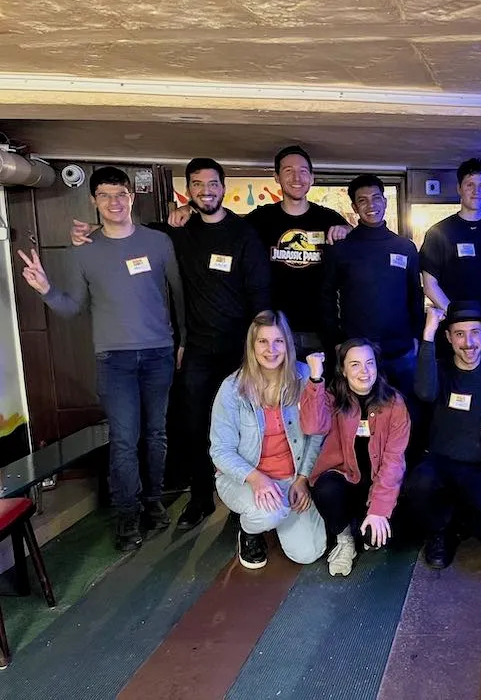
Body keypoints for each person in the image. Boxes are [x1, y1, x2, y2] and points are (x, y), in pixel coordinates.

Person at [72, 157, 272, 529]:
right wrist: (88, 234)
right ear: (189, 190)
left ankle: (246, 501)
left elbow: (260, 294)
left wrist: (259, 350)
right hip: (195, 348)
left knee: (247, 426)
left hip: (239, 351)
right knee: (195, 426)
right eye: (197, 184)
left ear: (223, 187)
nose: (205, 190)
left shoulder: (244, 235)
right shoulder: (175, 233)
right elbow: (127, 231)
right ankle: (201, 499)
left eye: (212, 183)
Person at [18, 166, 184, 551]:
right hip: (115, 361)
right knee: (125, 440)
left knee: (156, 435)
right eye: (105, 195)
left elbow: (178, 296)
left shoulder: (159, 243)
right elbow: (72, 307)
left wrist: (182, 342)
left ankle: (154, 504)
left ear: (132, 197)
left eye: (121, 194)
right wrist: (45, 288)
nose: (114, 202)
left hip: (159, 353)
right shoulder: (85, 252)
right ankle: (127, 517)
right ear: (93, 201)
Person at [170, 145, 352, 352]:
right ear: (276, 177)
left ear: (312, 177)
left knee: (317, 385)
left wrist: (348, 229)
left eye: (303, 171)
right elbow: (222, 220)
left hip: (321, 332)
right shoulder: (261, 219)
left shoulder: (329, 219)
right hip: (273, 332)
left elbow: (358, 247)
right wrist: (192, 206)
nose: (296, 177)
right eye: (288, 171)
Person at [404, 301, 481, 568]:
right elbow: (424, 392)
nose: (469, 342)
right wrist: (427, 335)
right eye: (459, 334)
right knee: (418, 484)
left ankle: (460, 516)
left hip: (479, 465)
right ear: (448, 338)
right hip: (440, 461)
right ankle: (441, 530)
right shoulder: (439, 367)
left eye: (474, 332)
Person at [210, 310, 326, 569]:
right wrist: (256, 478)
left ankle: (278, 514)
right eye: (262, 341)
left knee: (309, 552)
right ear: (252, 346)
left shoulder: (305, 376)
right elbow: (220, 450)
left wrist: (303, 479)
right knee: (268, 513)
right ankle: (250, 530)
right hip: (247, 479)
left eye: (278, 341)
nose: (270, 349)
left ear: (288, 344)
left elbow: (317, 433)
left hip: (292, 477)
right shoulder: (232, 388)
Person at [300, 339, 409, 577]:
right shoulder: (332, 398)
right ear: (343, 369)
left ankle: (365, 522)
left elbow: (394, 461)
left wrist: (379, 509)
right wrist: (316, 378)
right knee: (326, 488)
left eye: (369, 363)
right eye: (355, 365)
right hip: (345, 480)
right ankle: (344, 539)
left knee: (379, 539)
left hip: (378, 483)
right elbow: (311, 425)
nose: (364, 371)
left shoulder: (394, 403)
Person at [320, 173, 423, 404]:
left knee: (408, 414)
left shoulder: (405, 247)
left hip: (401, 352)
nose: (371, 205)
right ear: (354, 207)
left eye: (376, 198)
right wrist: (335, 340)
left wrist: (417, 336)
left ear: (385, 202)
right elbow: (326, 298)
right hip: (358, 356)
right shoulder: (341, 249)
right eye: (363, 200)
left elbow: (416, 295)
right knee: (359, 418)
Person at [419, 158, 481, 356]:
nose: (476, 191)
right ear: (459, 188)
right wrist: (461, 323)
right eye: (470, 185)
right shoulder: (438, 233)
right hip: (454, 336)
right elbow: (430, 285)